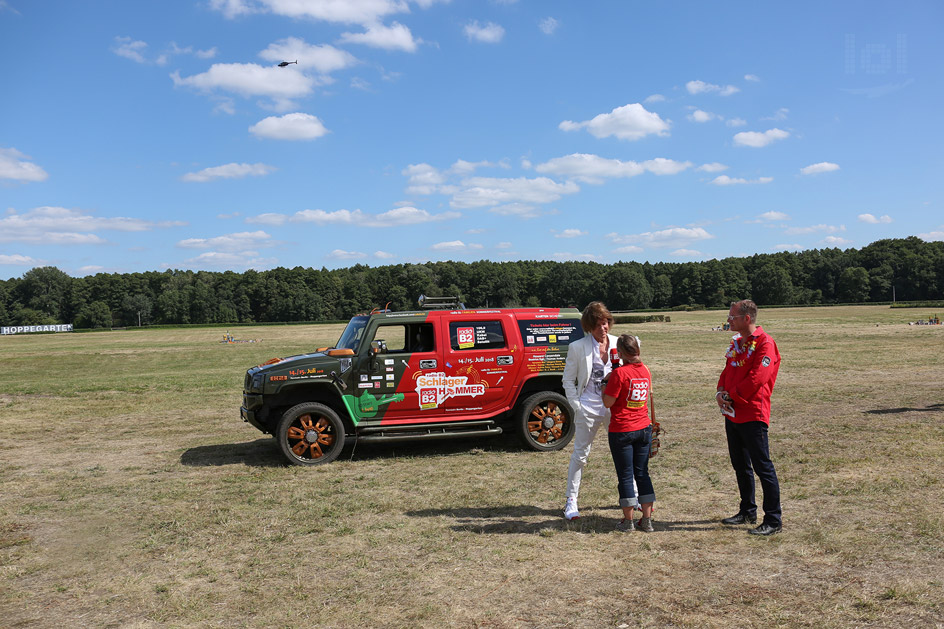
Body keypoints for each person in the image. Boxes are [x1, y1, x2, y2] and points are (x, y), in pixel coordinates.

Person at [561, 301, 636, 520]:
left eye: (606, 323)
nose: (603, 329)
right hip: (588, 407)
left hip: (615, 408)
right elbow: (567, 380)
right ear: (589, 327)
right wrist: (577, 407)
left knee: (624, 452)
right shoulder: (577, 347)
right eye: (598, 325)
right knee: (580, 455)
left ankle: (633, 496)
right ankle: (571, 501)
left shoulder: (618, 343)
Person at [716, 299, 783, 536]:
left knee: (762, 466)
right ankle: (747, 510)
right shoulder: (737, 343)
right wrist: (720, 392)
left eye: (732, 317)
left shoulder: (765, 343)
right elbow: (727, 370)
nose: (728, 320)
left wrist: (732, 395)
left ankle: (773, 519)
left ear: (747, 318)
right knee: (740, 465)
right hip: (733, 413)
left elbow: (758, 377)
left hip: (753, 413)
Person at [603, 334, 656, 532]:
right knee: (642, 474)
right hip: (643, 428)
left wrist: (603, 384)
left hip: (623, 430)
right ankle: (648, 519)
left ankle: (628, 521)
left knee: (625, 475)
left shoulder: (619, 374)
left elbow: (608, 402)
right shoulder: (645, 370)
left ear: (621, 353)